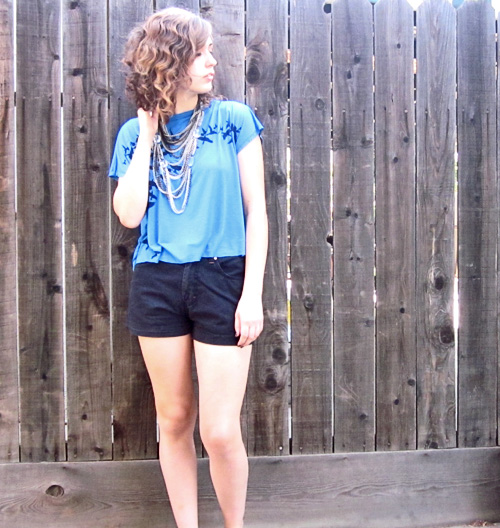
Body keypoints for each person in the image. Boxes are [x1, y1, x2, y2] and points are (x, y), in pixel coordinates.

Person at [108, 7, 267, 528]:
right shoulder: (133, 135)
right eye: (201, 53)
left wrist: (251, 294)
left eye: (210, 51)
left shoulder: (233, 120)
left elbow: (257, 212)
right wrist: (146, 133)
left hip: (223, 277)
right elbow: (129, 214)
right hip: (157, 281)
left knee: (218, 430)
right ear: (170, 61)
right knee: (174, 419)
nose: (212, 61)